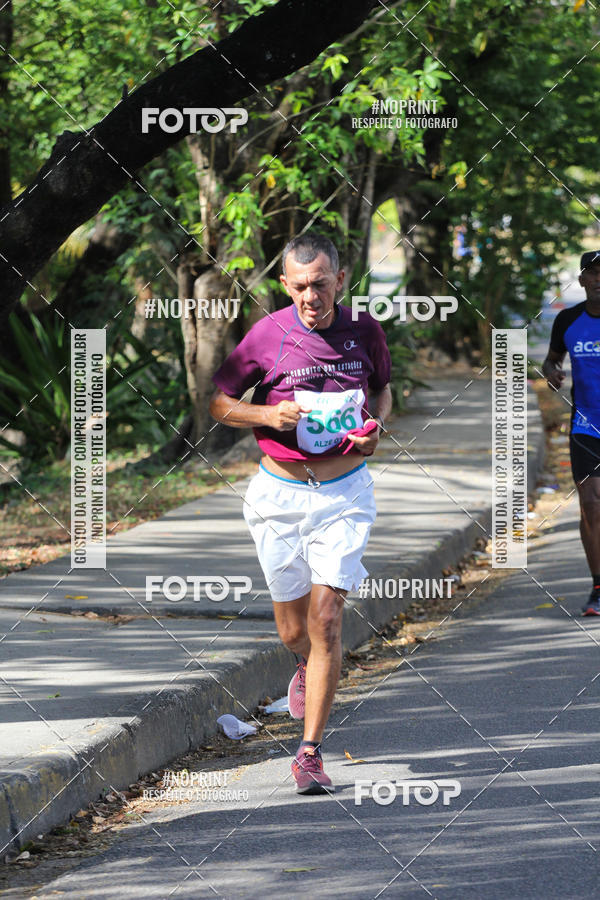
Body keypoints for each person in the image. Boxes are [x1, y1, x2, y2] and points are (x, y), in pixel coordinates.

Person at [209, 232, 392, 793]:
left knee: (327, 621)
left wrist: (375, 431)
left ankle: (309, 752)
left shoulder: (364, 330)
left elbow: (383, 390)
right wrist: (267, 416)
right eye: (300, 286)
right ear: (284, 285)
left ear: (340, 279)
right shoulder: (268, 334)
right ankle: (304, 666)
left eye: (320, 284)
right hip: (279, 496)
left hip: (344, 494)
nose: (311, 296)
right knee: (293, 631)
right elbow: (219, 403)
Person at [543, 250, 600, 616]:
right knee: (591, 505)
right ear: (581, 280)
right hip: (586, 424)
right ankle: (598, 587)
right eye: (593, 273)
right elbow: (552, 358)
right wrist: (551, 371)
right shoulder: (567, 320)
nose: (599, 279)